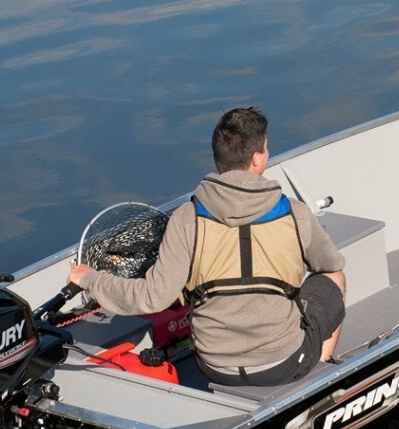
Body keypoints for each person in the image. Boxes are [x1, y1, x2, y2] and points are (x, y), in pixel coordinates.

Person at [69, 106, 346, 387]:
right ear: (257, 159)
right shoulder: (294, 213)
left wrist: (90, 278)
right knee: (334, 277)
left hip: (213, 366)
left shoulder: (186, 218)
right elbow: (331, 264)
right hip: (284, 363)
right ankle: (321, 370)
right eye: (266, 147)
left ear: (219, 158)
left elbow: (151, 298)